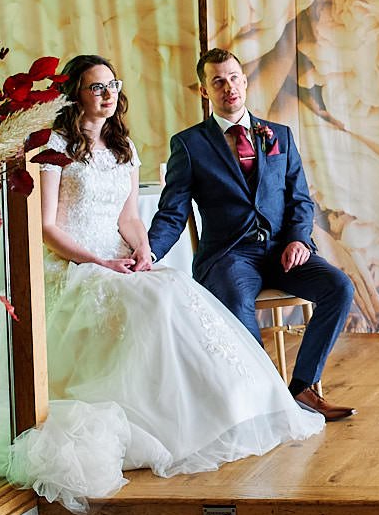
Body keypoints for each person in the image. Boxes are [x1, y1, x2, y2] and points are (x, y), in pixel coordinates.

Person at [8, 55, 323, 515]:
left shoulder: (122, 148)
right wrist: (98, 260)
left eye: (112, 84)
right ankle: (154, 417)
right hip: (73, 261)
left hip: (119, 258)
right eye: (96, 87)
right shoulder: (53, 148)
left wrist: (142, 252)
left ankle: (228, 405)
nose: (108, 93)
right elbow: (47, 226)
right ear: (75, 93)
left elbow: (130, 217)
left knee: (172, 292)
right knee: (153, 306)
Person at [147, 48, 357, 422]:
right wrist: (149, 253)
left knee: (339, 287)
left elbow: (300, 200)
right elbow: (173, 212)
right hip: (229, 255)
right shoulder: (189, 144)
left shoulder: (280, 136)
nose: (228, 87)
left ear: (244, 81)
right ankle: (266, 399)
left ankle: (302, 388)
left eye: (233, 77)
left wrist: (297, 239)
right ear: (203, 90)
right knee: (235, 298)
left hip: (283, 251)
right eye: (218, 81)